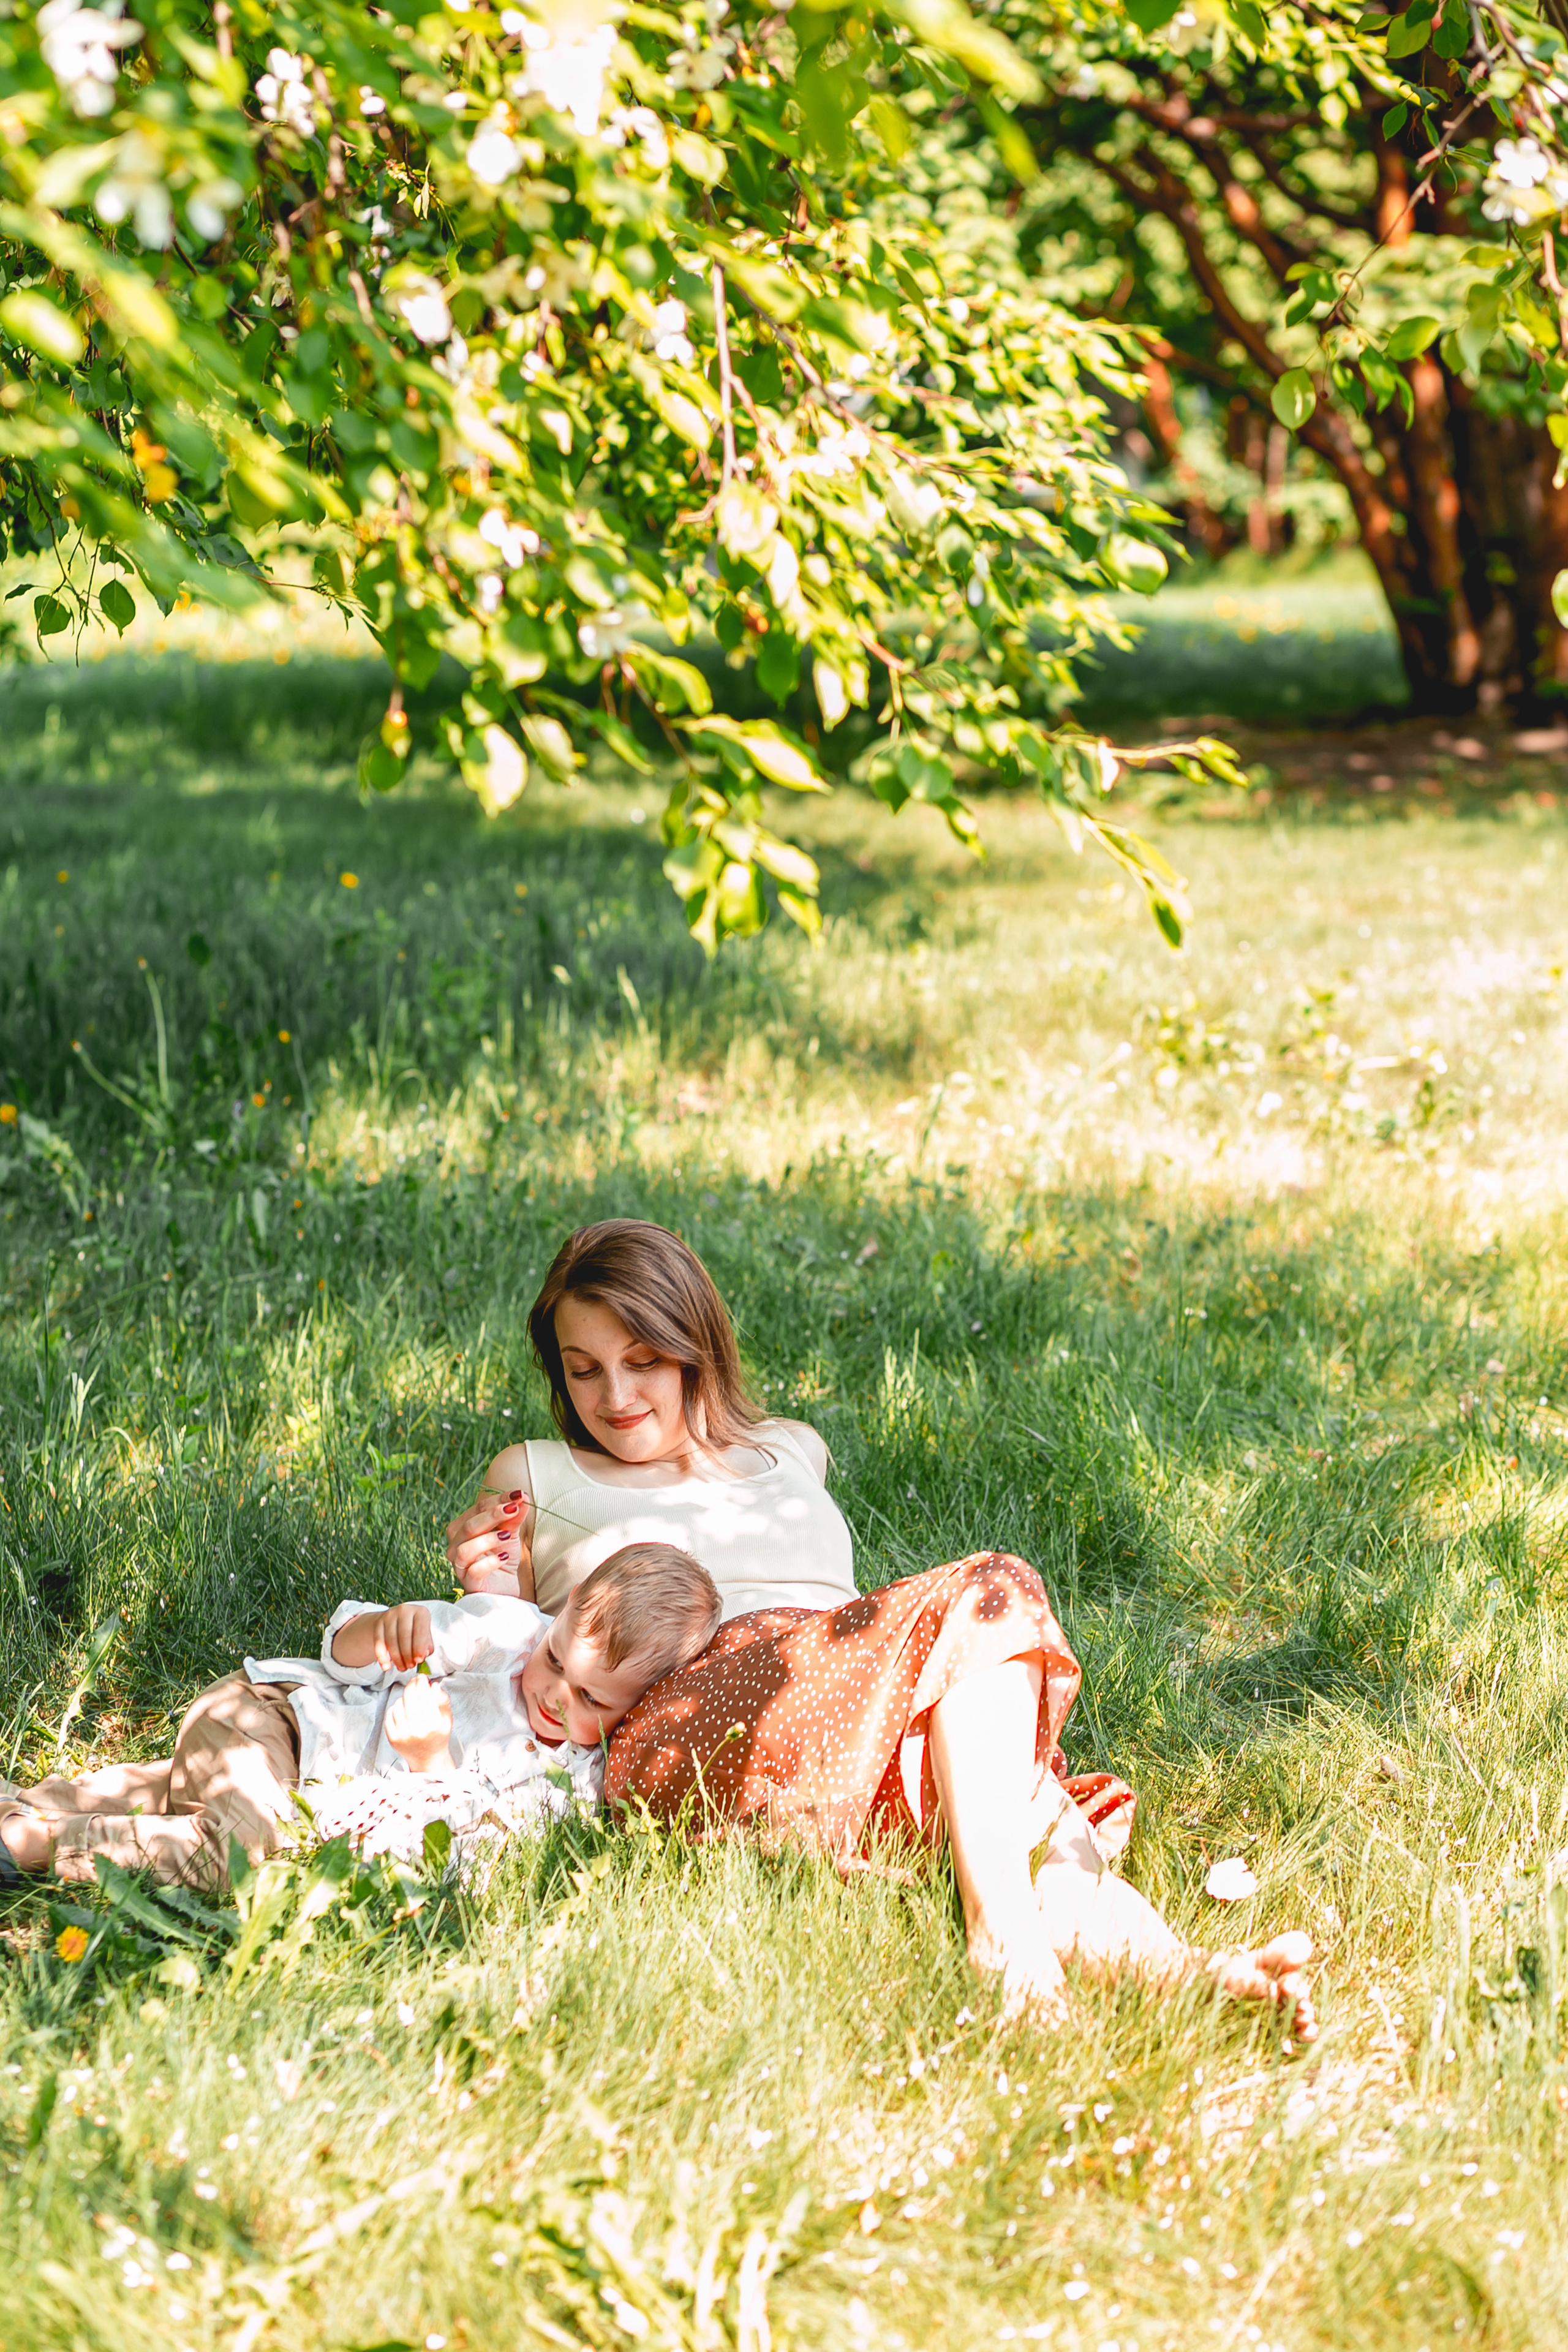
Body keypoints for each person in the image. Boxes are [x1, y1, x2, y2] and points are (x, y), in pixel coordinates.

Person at [446, 1219, 1318, 2040]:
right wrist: (483, 1577)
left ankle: (1195, 1975)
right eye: (583, 1369)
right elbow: (506, 1652)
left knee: (1010, 1809)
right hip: (687, 1711)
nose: (616, 1394)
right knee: (992, 1593)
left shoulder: (792, 1447)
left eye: (642, 1359)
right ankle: (1002, 1941)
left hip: (843, 1689)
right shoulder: (537, 1472)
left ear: (693, 1351)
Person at [0, 1542, 720, 1888]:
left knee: (172, 1795)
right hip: (276, 1716)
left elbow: (458, 1862)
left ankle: (22, 1813)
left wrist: (430, 1766)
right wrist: (383, 1632)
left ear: (638, 1711)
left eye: (594, 1699)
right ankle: (34, 1846)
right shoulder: (507, 1635)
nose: (557, 1693)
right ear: (556, 1619)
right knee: (242, 1855)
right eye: (559, 1659)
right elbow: (342, 1651)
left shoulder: (569, 1781)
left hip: (278, 1775)